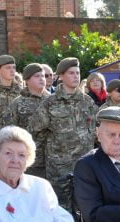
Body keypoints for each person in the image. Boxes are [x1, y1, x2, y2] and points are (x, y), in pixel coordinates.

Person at [28, 57, 97, 208]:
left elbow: (96, 130)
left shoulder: (88, 102)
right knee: (60, 207)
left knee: (86, 205)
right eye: (71, 73)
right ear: (62, 76)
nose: (76, 76)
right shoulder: (50, 103)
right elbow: (34, 132)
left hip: (85, 165)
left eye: (78, 73)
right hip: (59, 168)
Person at [3, 64, 50, 178]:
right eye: (37, 76)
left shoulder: (53, 101)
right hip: (29, 162)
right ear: (27, 80)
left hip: (53, 161)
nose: (41, 79)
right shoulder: (18, 103)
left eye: (43, 76)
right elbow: (8, 132)